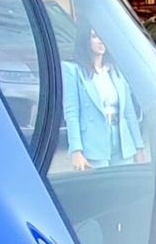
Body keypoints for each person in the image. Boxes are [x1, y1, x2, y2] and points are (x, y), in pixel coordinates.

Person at [59, 29, 145, 171]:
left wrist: (139, 146)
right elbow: (71, 112)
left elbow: (129, 112)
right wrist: (76, 150)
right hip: (93, 145)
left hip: (122, 143)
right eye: (95, 36)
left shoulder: (116, 68)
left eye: (103, 36)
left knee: (125, 189)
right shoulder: (73, 70)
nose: (101, 40)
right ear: (85, 39)